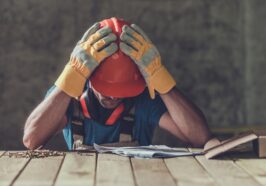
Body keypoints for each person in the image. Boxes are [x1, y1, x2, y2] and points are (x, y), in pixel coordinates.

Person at [23, 17, 211, 150]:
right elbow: (31, 140)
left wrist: (159, 77)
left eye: (121, 90)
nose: (113, 96)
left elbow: (200, 137)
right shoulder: (67, 98)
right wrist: (70, 75)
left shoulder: (144, 102)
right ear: (88, 74)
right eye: (106, 88)